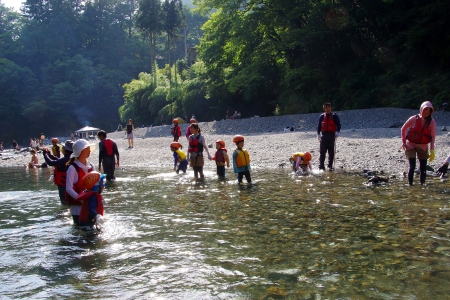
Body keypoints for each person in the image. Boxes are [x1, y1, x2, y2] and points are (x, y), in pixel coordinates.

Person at [401, 101, 436, 185]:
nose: (427, 112)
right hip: (411, 145)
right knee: (412, 167)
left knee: (423, 168)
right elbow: (403, 129)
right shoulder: (413, 119)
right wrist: (404, 142)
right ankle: (410, 185)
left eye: (429, 110)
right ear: (421, 109)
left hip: (423, 147)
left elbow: (433, 137)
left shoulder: (432, 122)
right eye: (425, 109)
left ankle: (422, 185)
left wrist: (432, 150)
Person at [65, 139, 96, 225]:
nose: (89, 150)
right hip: (77, 209)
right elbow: (69, 188)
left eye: (89, 148)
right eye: (87, 149)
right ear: (80, 151)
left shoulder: (91, 166)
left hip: (90, 206)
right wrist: (81, 199)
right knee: (80, 234)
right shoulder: (72, 168)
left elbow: (96, 184)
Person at [43, 140, 74, 205]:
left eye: (62, 147)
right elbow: (57, 159)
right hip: (67, 185)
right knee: (68, 201)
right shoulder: (69, 159)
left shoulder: (65, 160)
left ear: (65, 150)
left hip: (63, 186)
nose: (61, 148)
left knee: (64, 202)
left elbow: (50, 163)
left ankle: (62, 213)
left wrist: (45, 154)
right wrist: (49, 154)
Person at [317, 102, 341, 170]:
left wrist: (337, 132)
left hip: (331, 136)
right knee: (322, 152)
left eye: (329, 107)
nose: (327, 109)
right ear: (324, 108)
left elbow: (339, 125)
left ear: (331, 108)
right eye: (326, 107)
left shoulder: (334, 116)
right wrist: (318, 134)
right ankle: (321, 166)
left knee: (331, 152)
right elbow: (319, 126)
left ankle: (330, 166)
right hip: (323, 136)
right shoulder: (322, 116)